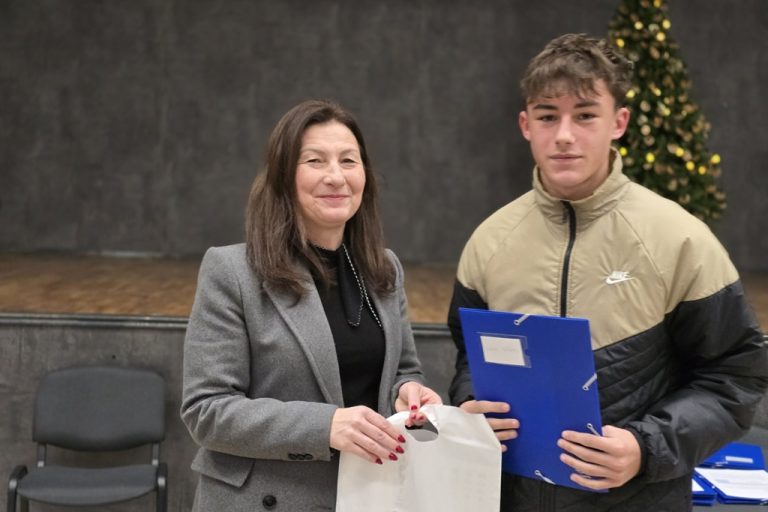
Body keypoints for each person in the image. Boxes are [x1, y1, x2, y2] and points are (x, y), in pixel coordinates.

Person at [448, 33, 768, 511]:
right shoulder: (489, 242)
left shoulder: (680, 240)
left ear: (618, 122)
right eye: (547, 116)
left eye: (584, 115)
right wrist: (471, 408)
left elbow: (735, 378)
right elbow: (468, 362)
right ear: (525, 125)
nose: (564, 135)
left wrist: (645, 448)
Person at [181, 99, 442, 511]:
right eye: (315, 161)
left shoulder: (384, 268)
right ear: (284, 175)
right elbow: (206, 411)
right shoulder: (231, 271)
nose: (336, 176)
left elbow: (403, 370)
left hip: (365, 495)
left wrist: (407, 392)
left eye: (348, 161)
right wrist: (325, 426)